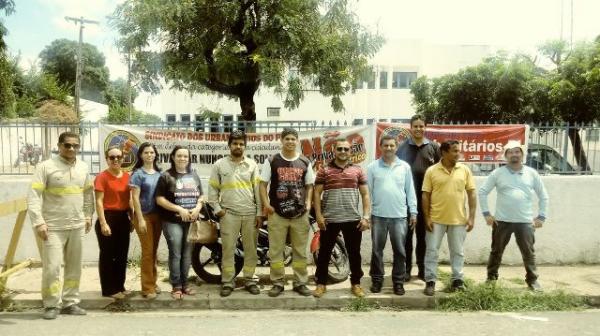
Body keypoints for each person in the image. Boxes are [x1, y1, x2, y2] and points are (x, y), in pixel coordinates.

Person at [27, 131, 94, 320]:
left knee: (75, 267)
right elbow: (33, 197)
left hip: (77, 225)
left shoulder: (83, 167)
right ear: (59, 146)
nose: (71, 148)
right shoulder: (45, 167)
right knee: (52, 268)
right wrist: (39, 222)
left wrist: (88, 216)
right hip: (53, 227)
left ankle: (70, 302)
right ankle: (51, 304)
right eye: (67, 145)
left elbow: (88, 194)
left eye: (75, 145)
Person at [478, 140, 549, 291]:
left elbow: (544, 196)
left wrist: (541, 217)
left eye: (517, 151)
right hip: (502, 221)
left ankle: (533, 280)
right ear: (506, 156)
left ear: (522, 154)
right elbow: (482, 192)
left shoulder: (531, 173)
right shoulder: (498, 173)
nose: (514, 155)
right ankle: (491, 279)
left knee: (528, 252)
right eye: (510, 152)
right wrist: (486, 214)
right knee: (496, 251)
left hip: (525, 222)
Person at [259, 128, 315, 297]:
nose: (290, 141)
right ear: (281, 141)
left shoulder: (305, 162)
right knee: (276, 251)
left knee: (299, 251)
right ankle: (277, 283)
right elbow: (262, 185)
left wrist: (307, 203)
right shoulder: (272, 160)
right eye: (287, 139)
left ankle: (300, 283)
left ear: (297, 141)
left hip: (299, 214)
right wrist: (267, 205)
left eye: (293, 139)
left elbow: (309, 186)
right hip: (277, 214)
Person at [313, 138, 371, 298]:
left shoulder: (357, 170)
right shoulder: (324, 170)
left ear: (350, 151)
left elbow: (365, 194)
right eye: (340, 149)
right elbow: (316, 194)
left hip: (352, 218)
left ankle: (356, 284)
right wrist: (319, 215)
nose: (343, 152)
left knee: (354, 253)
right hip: (330, 219)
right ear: (334, 151)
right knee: (324, 252)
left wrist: (366, 217)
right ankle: (321, 283)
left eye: (346, 149)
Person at [208, 130, 263, 297]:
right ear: (229, 145)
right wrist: (218, 210)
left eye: (241, 144)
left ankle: (249, 280)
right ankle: (227, 281)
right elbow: (212, 191)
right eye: (235, 144)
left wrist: (259, 213)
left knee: (251, 249)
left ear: (245, 146)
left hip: (250, 214)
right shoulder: (219, 165)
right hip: (229, 215)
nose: (238, 146)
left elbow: (257, 191)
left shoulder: (252, 165)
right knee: (228, 249)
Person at [422, 139, 477, 296]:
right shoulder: (432, 171)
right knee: (432, 251)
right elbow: (425, 195)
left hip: (459, 220)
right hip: (436, 219)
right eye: (454, 151)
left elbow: (472, 194)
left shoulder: (464, 170)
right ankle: (430, 281)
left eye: (458, 150)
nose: (457, 154)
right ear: (444, 152)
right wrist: (427, 218)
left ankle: (457, 281)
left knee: (458, 252)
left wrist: (472, 217)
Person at [367, 135, 417, 295]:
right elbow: (368, 192)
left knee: (400, 251)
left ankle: (398, 282)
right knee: (376, 250)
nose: (388, 148)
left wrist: (413, 212)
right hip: (378, 216)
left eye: (391, 146)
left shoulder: (404, 167)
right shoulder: (372, 167)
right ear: (380, 147)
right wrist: (367, 215)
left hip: (399, 217)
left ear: (396, 147)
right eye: (385, 145)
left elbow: (410, 191)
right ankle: (377, 280)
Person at [396, 114, 440, 281]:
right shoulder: (402, 148)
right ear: (410, 127)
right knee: (406, 237)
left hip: (427, 202)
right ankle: (406, 270)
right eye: (416, 126)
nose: (419, 129)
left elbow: (439, 172)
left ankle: (422, 269)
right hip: (406, 202)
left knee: (423, 238)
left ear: (425, 127)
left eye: (422, 126)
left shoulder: (434, 148)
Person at [156, 146, 204, 300]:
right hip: (172, 221)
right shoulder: (166, 176)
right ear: (173, 157)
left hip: (191, 221)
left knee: (187, 254)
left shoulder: (194, 176)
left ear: (189, 159)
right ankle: (176, 285)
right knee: (176, 253)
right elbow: (159, 199)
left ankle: (185, 284)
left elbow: (201, 196)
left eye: (185, 156)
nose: (182, 158)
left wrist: (197, 207)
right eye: (179, 156)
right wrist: (179, 209)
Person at [94, 146, 132, 300]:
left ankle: (120, 286)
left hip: (123, 218)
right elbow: (99, 201)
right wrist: (103, 223)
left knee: (122, 255)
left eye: (118, 157)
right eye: (112, 157)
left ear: (123, 158)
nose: (115, 159)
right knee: (108, 255)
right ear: (107, 159)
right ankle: (109, 289)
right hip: (108, 217)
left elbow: (129, 201)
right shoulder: (102, 177)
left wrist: (132, 220)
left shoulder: (127, 176)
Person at [129, 142, 163, 299]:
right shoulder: (138, 174)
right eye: (146, 152)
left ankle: (153, 282)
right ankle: (147, 287)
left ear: (155, 154)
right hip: (144, 217)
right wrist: (140, 218)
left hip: (158, 216)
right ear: (141, 155)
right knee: (148, 252)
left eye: (152, 152)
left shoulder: (160, 173)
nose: (149, 155)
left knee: (154, 251)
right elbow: (135, 198)